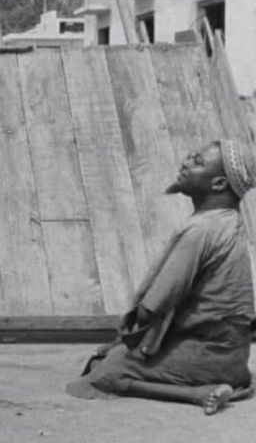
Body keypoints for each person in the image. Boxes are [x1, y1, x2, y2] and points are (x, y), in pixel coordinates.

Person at [67, 140, 255, 415]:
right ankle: (220, 382)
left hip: (207, 354)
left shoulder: (201, 229)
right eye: (190, 156)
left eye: (197, 162)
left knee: (104, 370)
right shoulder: (229, 222)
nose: (186, 162)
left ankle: (198, 393)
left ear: (218, 184)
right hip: (233, 355)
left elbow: (152, 308)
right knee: (111, 354)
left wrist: (130, 339)